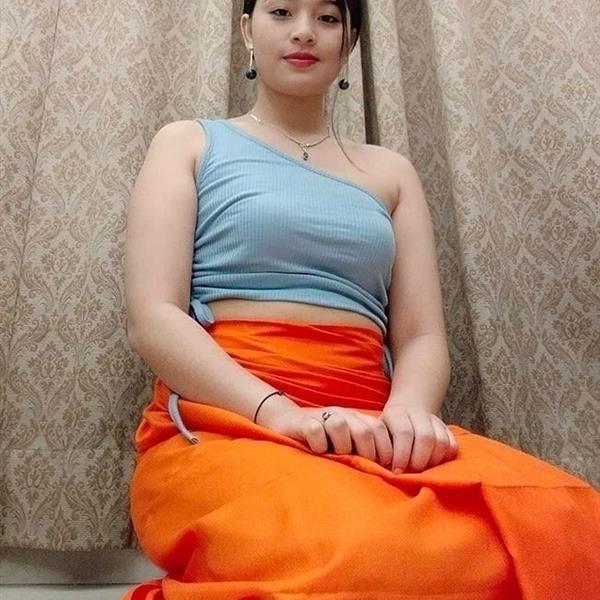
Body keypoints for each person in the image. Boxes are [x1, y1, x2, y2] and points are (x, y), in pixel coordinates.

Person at [122, 1, 600, 598]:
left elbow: (421, 335)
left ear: (349, 42)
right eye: (281, 11)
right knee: (364, 557)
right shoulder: (188, 142)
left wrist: (410, 414)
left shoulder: (391, 172)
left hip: (371, 426)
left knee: (568, 527)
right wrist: (281, 413)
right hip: (227, 420)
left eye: (328, 18)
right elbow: (153, 317)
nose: (304, 32)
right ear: (247, 30)